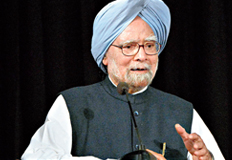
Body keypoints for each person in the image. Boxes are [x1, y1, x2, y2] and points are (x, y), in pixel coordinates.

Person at [21, 0, 225, 159]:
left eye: (150, 46)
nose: (142, 55)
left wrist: (207, 159)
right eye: (129, 47)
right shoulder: (73, 104)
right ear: (105, 56)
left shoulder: (183, 111)